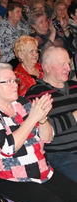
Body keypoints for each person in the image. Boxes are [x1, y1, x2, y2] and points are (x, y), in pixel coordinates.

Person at [0, 62, 77, 202]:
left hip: (38, 168)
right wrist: (33, 118)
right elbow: (8, 149)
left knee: (75, 196)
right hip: (4, 175)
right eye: (7, 82)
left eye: (14, 80)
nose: (14, 85)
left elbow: (47, 137)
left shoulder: (22, 103)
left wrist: (42, 120)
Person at [25, 46, 77, 183]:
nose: (68, 68)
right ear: (47, 68)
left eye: (68, 63)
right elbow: (46, 131)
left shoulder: (74, 87)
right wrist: (75, 116)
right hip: (61, 155)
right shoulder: (36, 93)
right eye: (62, 64)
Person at [0, 2, 29, 68]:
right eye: (17, 12)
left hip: (21, 56)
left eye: (21, 12)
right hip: (7, 59)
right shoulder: (2, 27)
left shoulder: (22, 26)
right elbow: (0, 50)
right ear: (10, 13)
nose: (20, 14)